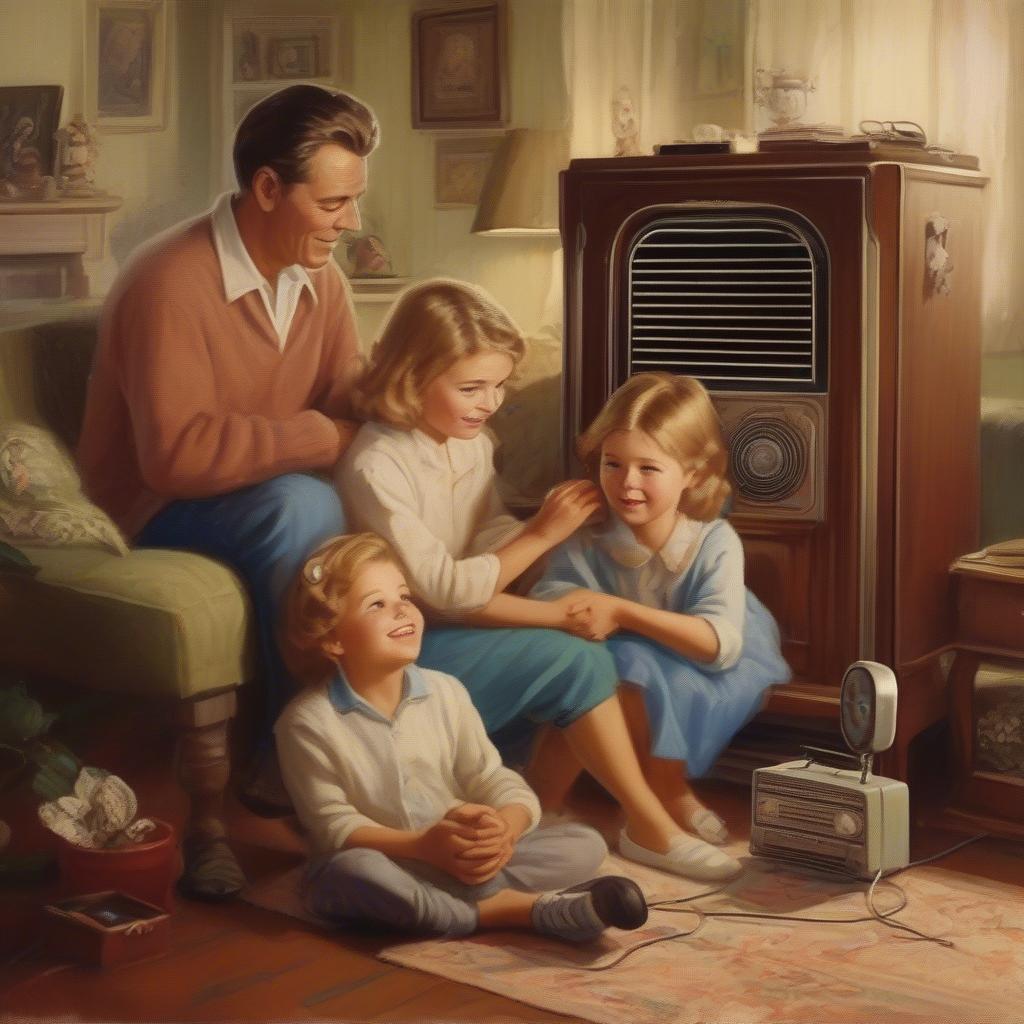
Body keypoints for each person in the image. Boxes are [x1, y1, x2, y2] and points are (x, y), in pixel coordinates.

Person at [337, 278, 741, 882]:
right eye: (471, 388)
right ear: (410, 376)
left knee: (582, 644)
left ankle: (583, 811)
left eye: (499, 386)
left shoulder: (466, 445)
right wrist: (544, 540)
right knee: (577, 657)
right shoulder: (377, 464)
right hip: (404, 651)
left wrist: (538, 534)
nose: (489, 403)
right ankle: (648, 826)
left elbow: (487, 531)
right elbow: (443, 592)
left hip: (454, 626)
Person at [76, 85, 377, 867]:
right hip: (153, 508)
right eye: (335, 202)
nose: (351, 222)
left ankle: (381, 754)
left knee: (375, 508)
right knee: (302, 506)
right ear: (269, 189)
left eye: (354, 201)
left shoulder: (326, 282)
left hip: (250, 493)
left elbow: (349, 402)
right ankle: (293, 755)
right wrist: (321, 434)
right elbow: (174, 455)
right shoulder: (168, 279)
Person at [276, 532, 649, 942]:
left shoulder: (445, 691)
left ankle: (465, 899)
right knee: (351, 874)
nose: (401, 611)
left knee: (586, 845)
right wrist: (422, 847)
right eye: (376, 605)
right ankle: (503, 910)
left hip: (455, 856)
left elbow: (489, 776)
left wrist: (505, 828)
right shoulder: (308, 722)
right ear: (332, 639)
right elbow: (333, 825)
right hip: (390, 859)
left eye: (404, 596)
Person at [530, 373, 790, 849]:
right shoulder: (589, 536)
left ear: (692, 474)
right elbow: (549, 597)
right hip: (624, 660)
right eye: (613, 464)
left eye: (648, 468)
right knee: (610, 668)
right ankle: (550, 802)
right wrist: (579, 608)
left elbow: (718, 646)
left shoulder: (711, 541)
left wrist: (621, 612)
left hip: (707, 659)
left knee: (633, 663)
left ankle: (666, 790)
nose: (627, 484)